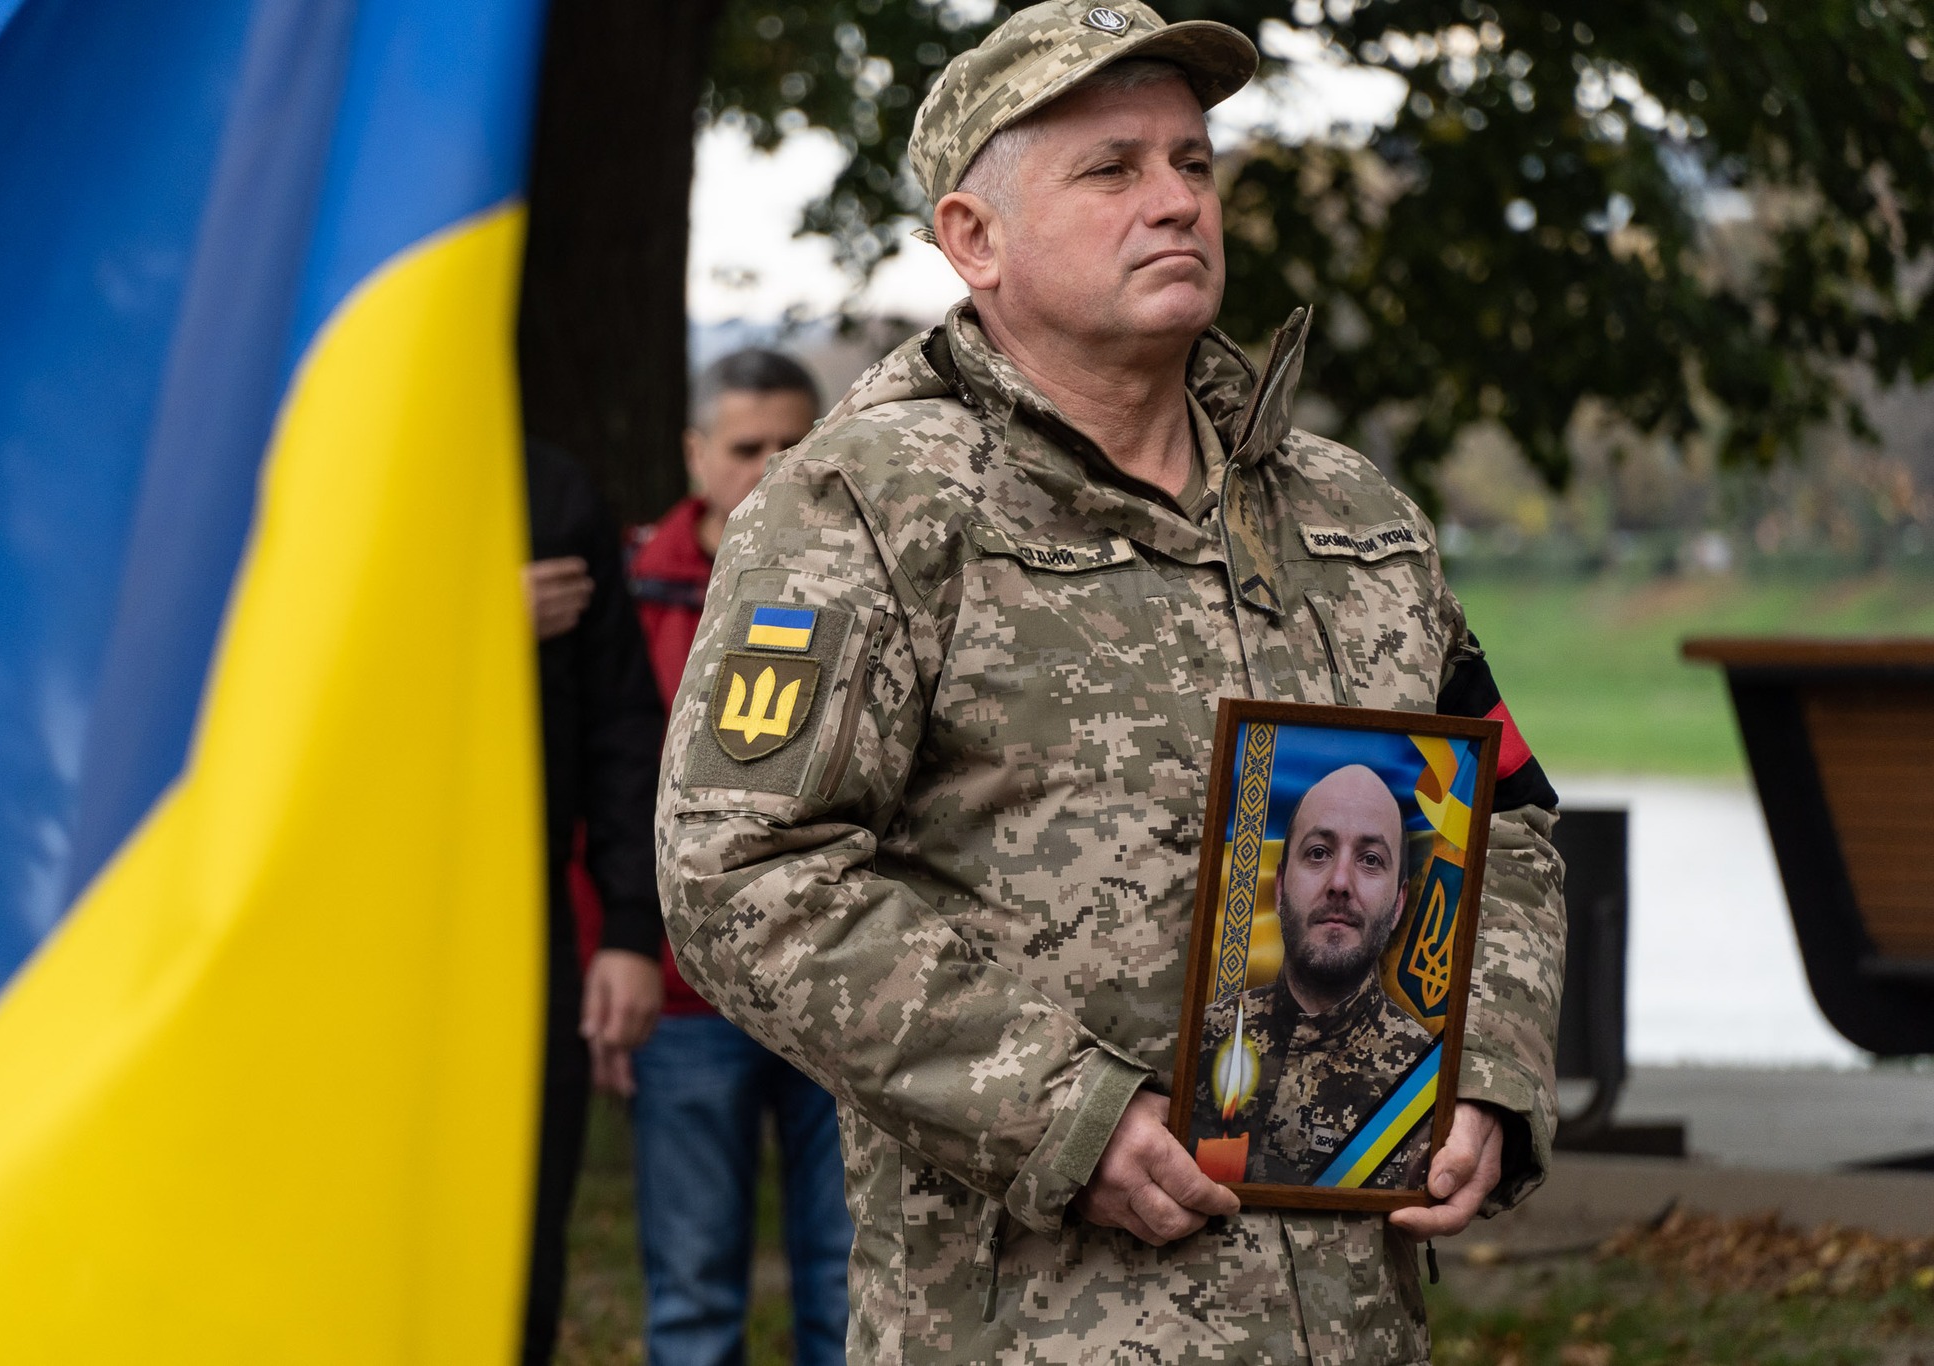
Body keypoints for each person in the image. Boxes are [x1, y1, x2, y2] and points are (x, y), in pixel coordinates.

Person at [654, 4, 1565, 1362]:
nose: (1175, 202)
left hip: (1349, 1320)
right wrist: (1063, 1111)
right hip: (1040, 1319)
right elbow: (740, 869)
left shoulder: (1348, 514)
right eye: (1112, 169)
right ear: (974, 239)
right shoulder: (866, 508)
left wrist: (1479, 1073)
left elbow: (1501, 810)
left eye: (1193, 164)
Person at [579, 349, 856, 1366]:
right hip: (685, 1003)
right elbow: (607, 794)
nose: (773, 464)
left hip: (839, 995)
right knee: (693, 1291)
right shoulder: (632, 588)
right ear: (696, 456)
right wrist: (611, 960)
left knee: (851, 1286)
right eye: (747, 446)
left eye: (795, 442)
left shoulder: (874, 577)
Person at [520, 438, 667, 1366]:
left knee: (521, 1238)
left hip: (520, 938)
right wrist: (452, 622)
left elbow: (622, 723)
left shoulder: (551, 486)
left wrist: (627, 926)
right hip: (326, 937)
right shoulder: (281, 456)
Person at [1190, 765, 1436, 1190]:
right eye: (1318, 853)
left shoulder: (1423, 1078)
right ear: (1280, 886)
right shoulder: (1202, 1038)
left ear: (1399, 905)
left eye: (1371, 860)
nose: (1339, 882)